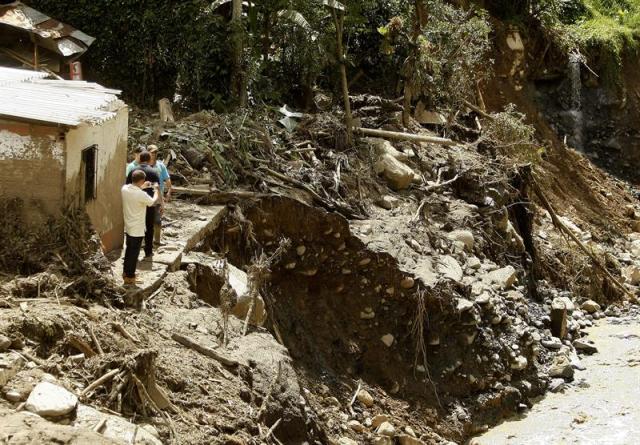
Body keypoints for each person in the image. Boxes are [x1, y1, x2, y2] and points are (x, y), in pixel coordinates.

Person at [121, 170, 160, 285]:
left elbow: (135, 190)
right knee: (134, 254)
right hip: (137, 228)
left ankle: (126, 273)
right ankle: (130, 277)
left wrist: (142, 187)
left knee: (129, 251)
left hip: (128, 226)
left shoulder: (124, 189)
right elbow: (152, 202)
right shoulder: (140, 194)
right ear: (142, 180)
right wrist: (156, 190)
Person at [126, 151, 161, 259]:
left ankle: (131, 250)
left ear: (140, 159)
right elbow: (157, 188)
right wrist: (160, 202)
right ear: (150, 159)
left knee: (133, 225)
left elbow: (128, 186)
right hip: (149, 203)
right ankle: (148, 251)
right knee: (149, 227)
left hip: (135, 202)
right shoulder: (153, 172)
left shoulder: (133, 171)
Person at [148, 145, 171, 246]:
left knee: (157, 220)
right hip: (145, 196)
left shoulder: (161, 166)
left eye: (155, 153)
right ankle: (146, 241)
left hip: (158, 196)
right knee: (146, 220)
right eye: (151, 152)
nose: (153, 155)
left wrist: (169, 191)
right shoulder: (143, 165)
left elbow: (167, 179)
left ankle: (157, 240)